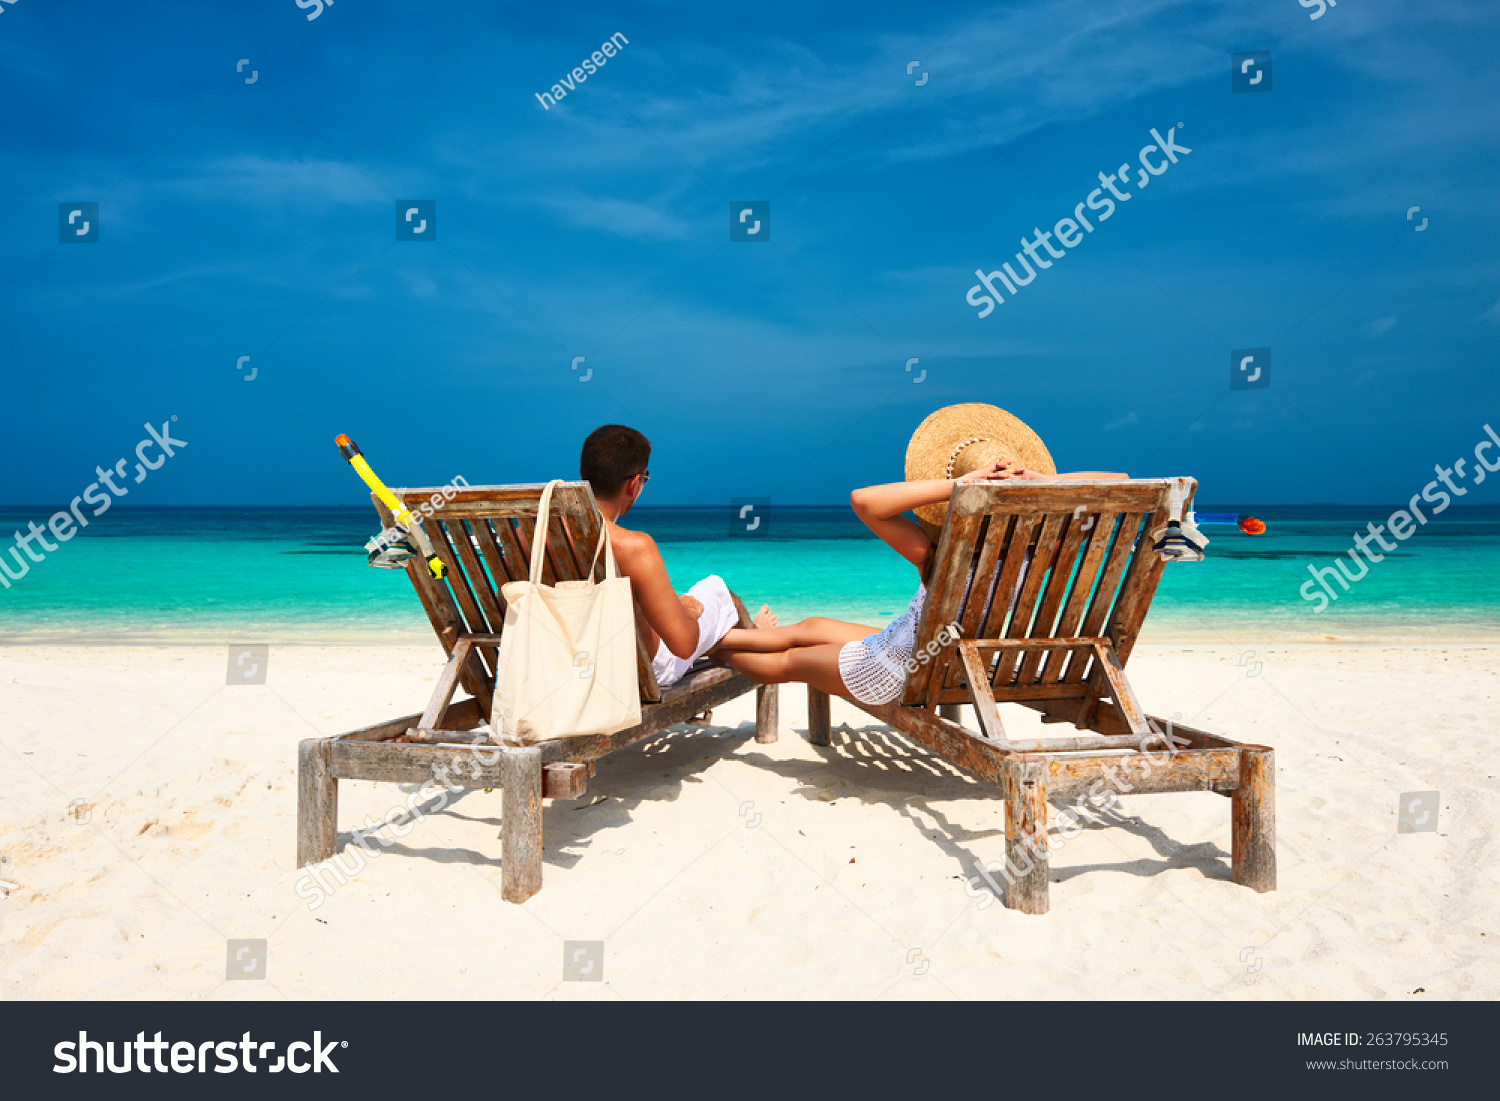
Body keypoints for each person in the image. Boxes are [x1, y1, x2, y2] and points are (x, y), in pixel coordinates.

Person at [709, 403, 1127, 706]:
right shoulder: (1047, 552)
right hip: (951, 657)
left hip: (906, 668)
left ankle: (712, 646)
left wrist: (960, 485)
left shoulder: (945, 556)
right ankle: (737, 635)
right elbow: (1121, 480)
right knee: (812, 625)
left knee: (789, 663)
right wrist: (1037, 481)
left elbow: (864, 501)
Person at [579, 424, 773, 688]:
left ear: (583, 473)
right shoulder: (634, 546)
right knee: (716, 589)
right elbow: (683, 646)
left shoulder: (535, 535)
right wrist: (688, 611)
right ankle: (755, 635)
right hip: (642, 672)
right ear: (633, 485)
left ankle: (724, 642)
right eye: (644, 478)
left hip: (575, 666)